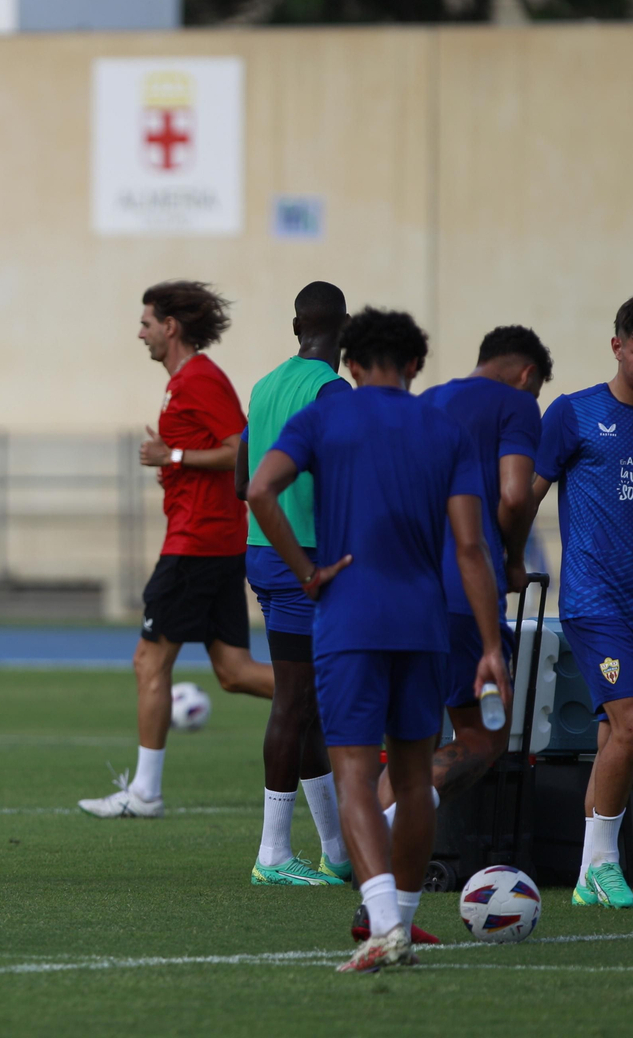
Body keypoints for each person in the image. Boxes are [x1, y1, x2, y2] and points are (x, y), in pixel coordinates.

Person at [247, 308, 508, 973]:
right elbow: (472, 546)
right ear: (416, 365)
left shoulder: (324, 416)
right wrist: (489, 644)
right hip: (424, 621)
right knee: (415, 778)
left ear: (352, 365)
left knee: (358, 776)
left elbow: (260, 489)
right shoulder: (443, 430)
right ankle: (407, 922)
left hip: (349, 619)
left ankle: (383, 921)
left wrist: (306, 572)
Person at [80, 280, 274, 819]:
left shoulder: (200, 377)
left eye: (146, 322)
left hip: (198, 542)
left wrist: (175, 454)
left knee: (149, 660)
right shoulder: (182, 382)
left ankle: (145, 793)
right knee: (234, 671)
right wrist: (174, 457)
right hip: (209, 539)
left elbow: (243, 448)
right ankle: (336, 699)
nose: (139, 332)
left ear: (171, 327)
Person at [376, 327, 550, 832]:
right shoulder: (516, 404)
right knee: (484, 735)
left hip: (405, 584)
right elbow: (516, 496)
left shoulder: (426, 399)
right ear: (527, 374)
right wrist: (514, 557)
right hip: (462, 591)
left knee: (413, 742)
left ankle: (372, 855)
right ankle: (385, 826)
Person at [532, 294, 633, 910]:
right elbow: (527, 496)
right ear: (617, 346)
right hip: (594, 601)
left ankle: (592, 874)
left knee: (617, 739)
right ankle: (600, 870)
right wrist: (502, 560)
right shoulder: (575, 414)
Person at [233, 281, 353, 887]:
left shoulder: (263, 386)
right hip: (306, 559)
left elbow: (240, 480)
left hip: (262, 549)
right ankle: (273, 855)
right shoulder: (332, 391)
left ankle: (336, 851)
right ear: (345, 328)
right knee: (296, 702)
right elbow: (345, 481)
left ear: (296, 325)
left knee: (305, 707)